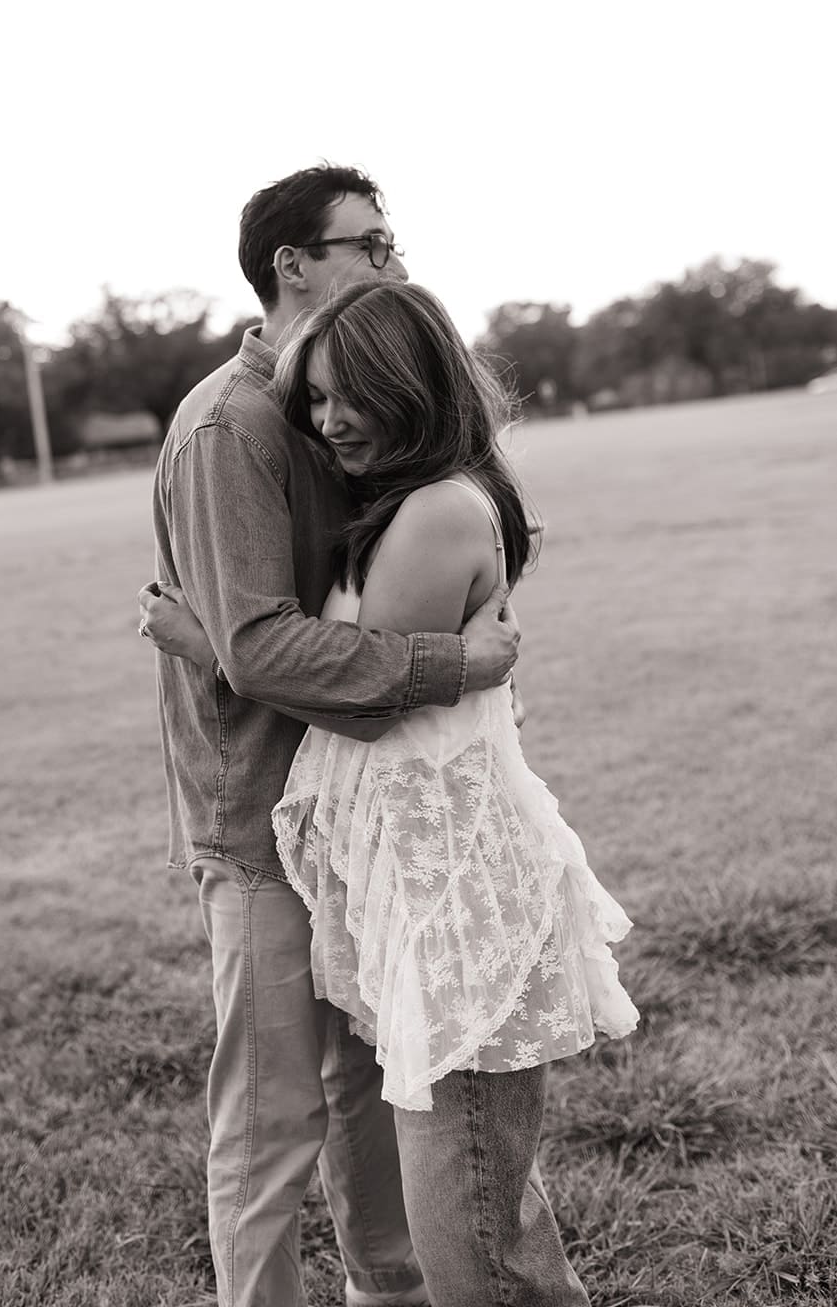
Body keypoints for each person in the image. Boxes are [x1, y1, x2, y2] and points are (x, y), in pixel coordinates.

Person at [145, 278, 640, 1306]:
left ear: (406, 386)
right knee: (482, 1204)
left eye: (347, 395)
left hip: (450, 901)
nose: (327, 421)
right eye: (312, 400)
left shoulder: (429, 514)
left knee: (474, 1237)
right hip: (428, 888)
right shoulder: (408, 502)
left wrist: (217, 648)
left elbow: (368, 705)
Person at [139, 165, 523, 1307]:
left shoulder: (341, 398)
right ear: (289, 265)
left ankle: (386, 1290)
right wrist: (453, 661)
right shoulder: (232, 426)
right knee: (271, 1117)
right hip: (261, 815)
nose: (393, 258)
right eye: (370, 240)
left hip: (359, 811)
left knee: (371, 1080)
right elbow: (260, 648)